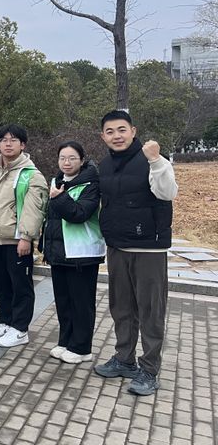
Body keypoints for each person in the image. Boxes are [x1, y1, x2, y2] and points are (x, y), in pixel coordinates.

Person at [93, 110, 177, 396]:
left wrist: (156, 160)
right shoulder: (105, 165)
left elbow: (167, 193)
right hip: (117, 246)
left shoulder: (152, 159)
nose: (116, 136)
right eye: (110, 131)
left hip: (148, 248)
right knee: (121, 307)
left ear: (133, 131)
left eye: (122, 130)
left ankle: (149, 370)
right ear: (103, 136)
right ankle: (124, 359)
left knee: (151, 310)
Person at [0, 124, 48, 348]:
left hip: (16, 241)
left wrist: (26, 238)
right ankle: (6, 322)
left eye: (13, 140)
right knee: (1, 285)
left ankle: (20, 329)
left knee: (20, 286)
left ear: (23, 145)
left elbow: (34, 210)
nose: (8, 144)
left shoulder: (31, 175)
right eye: (3, 140)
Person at [40, 141, 105, 364]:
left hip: (82, 253)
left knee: (81, 302)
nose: (66, 162)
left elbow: (79, 214)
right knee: (64, 301)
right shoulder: (57, 182)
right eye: (62, 158)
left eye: (72, 158)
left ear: (82, 160)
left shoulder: (91, 184)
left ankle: (82, 347)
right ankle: (65, 341)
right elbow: (51, 219)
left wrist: (59, 198)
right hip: (60, 253)